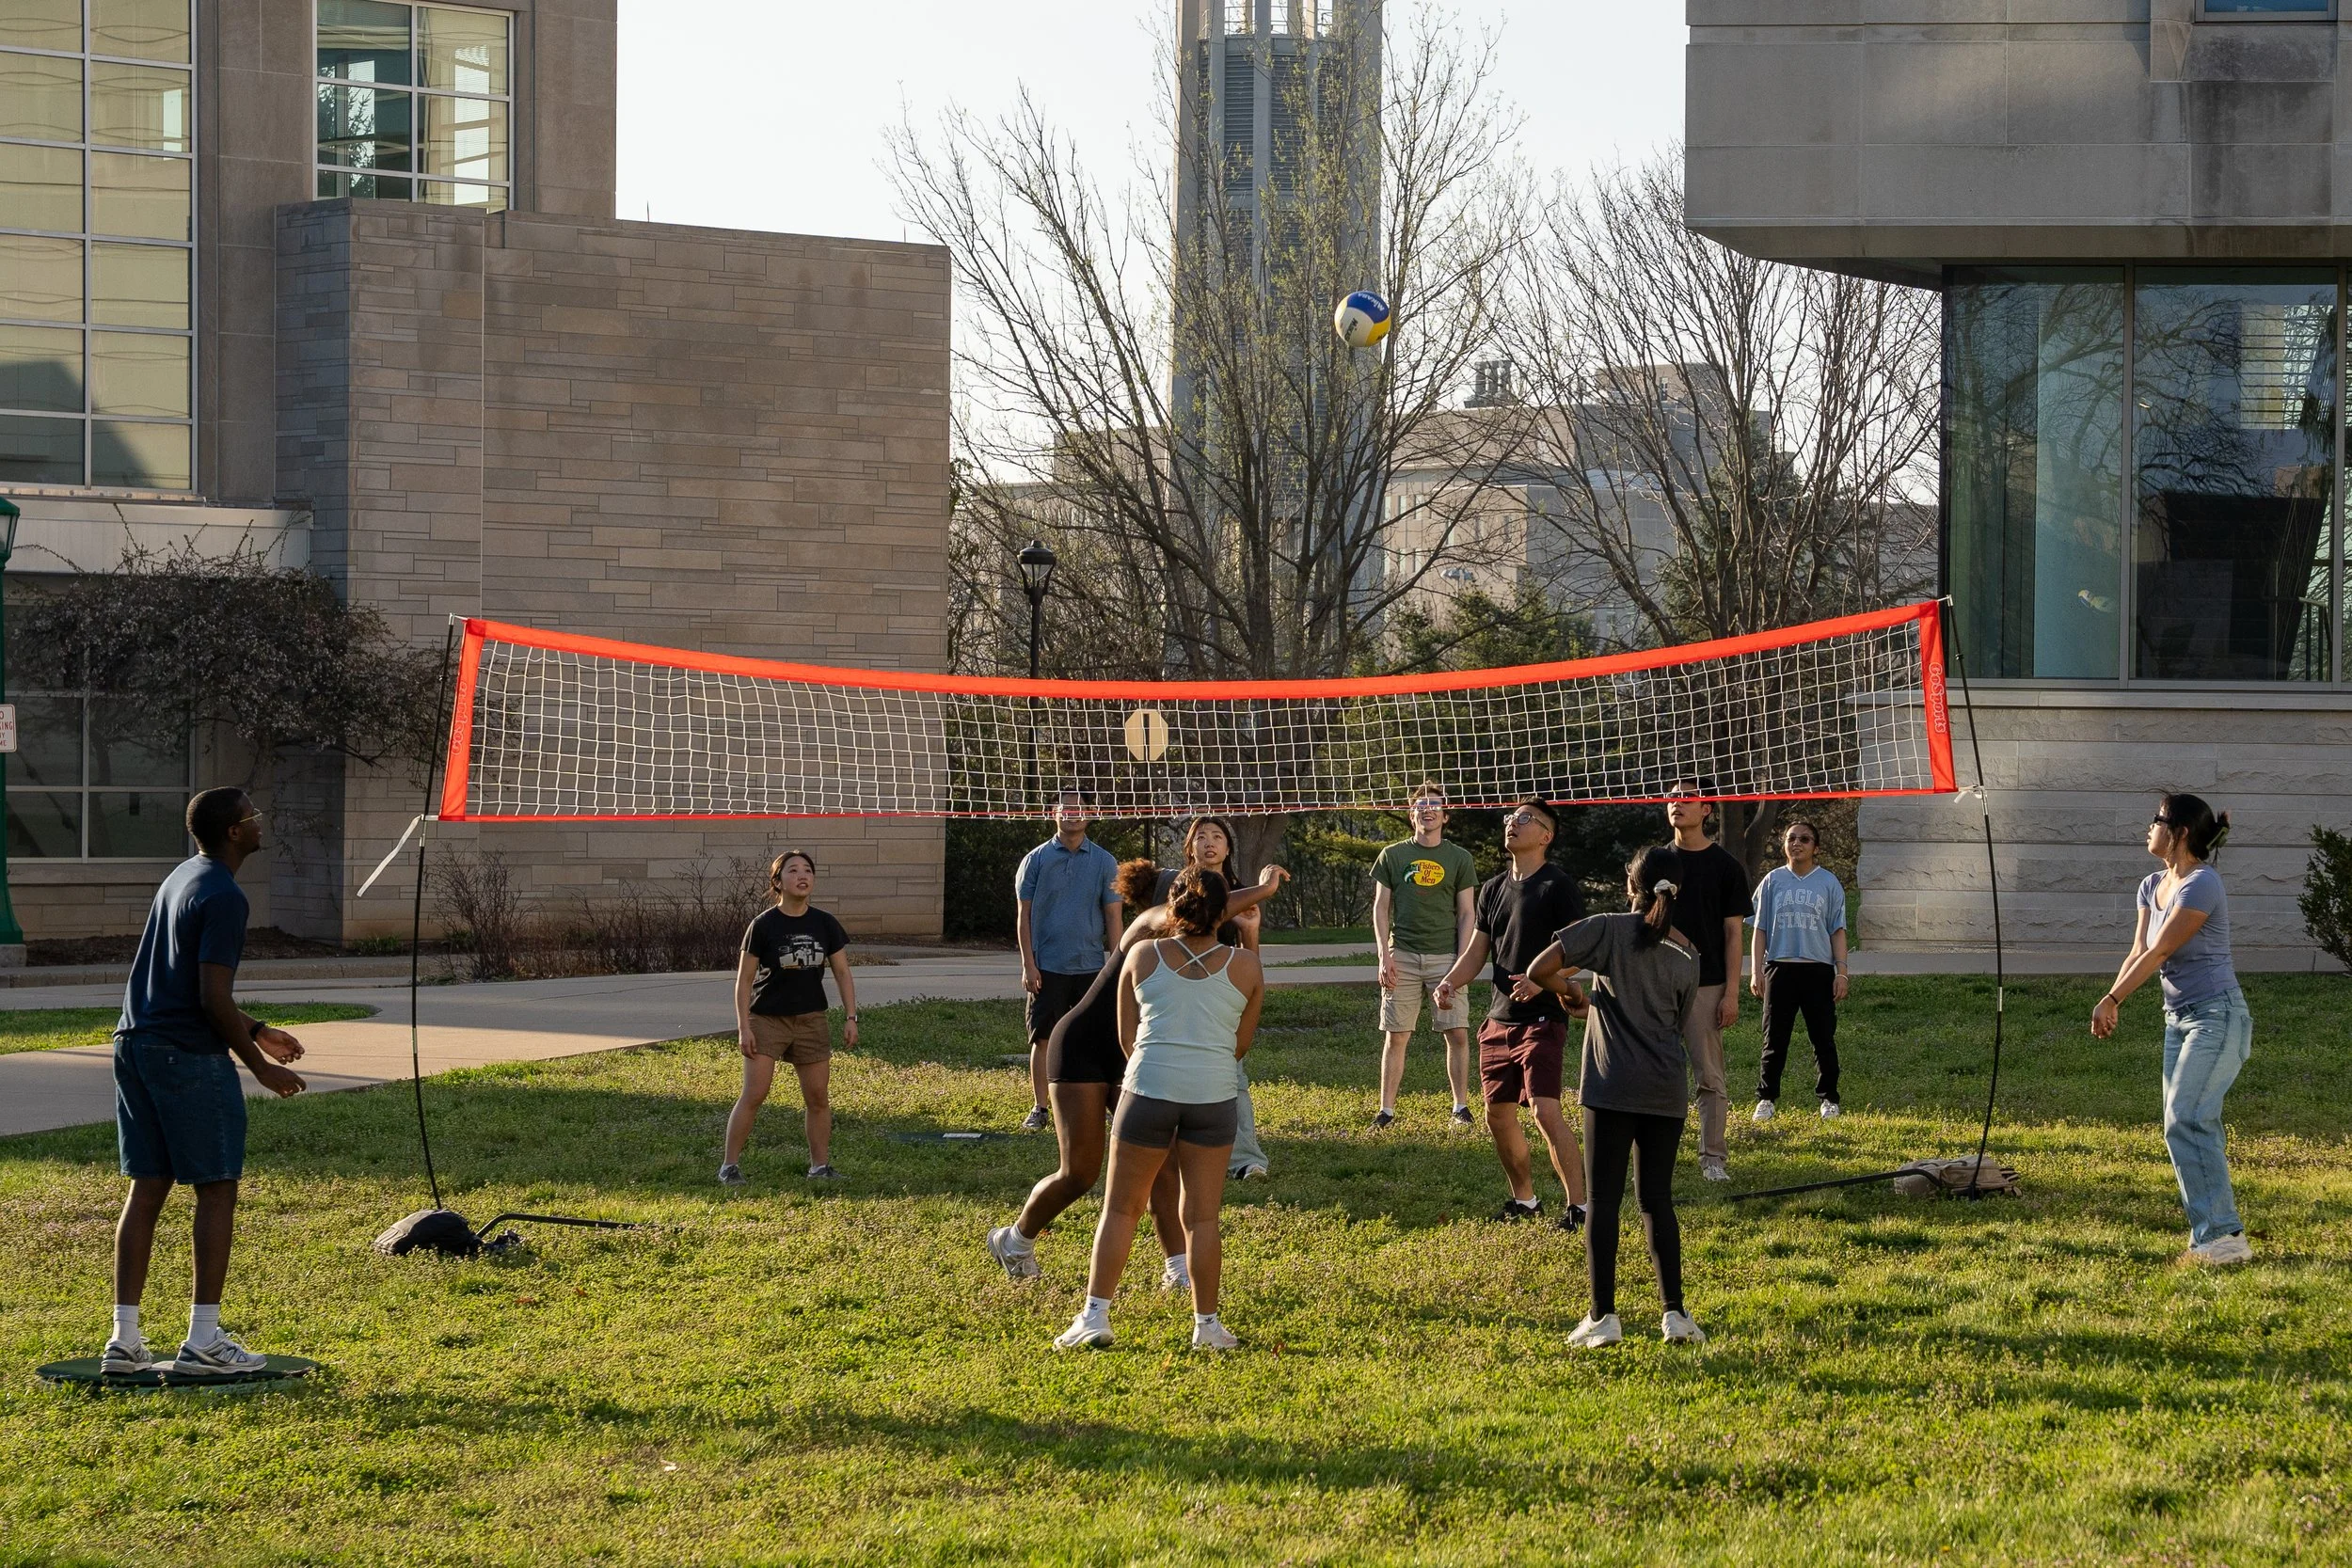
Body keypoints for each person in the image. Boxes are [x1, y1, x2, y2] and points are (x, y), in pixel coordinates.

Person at [104, 787, 309, 1378]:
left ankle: (124, 1340)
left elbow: (183, 985)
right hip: (185, 1056)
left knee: (148, 1186)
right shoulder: (226, 895)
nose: (260, 821)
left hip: (135, 1044)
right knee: (216, 1186)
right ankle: (203, 1341)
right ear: (237, 831)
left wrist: (259, 1028)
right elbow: (209, 996)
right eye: (255, 815)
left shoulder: (183, 876)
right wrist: (260, 1065)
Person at [1054, 868, 1265, 1353]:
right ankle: (1208, 1326)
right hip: (1212, 1096)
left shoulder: (1142, 955)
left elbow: (1128, 1039)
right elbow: (1240, 1046)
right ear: (1223, 914)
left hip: (1148, 1091)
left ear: (1173, 909)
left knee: (1120, 1211)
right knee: (1203, 1219)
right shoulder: (1248, 966)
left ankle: (1094, 1316)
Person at [1527, 846, 1706, 1349]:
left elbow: (1541, 967)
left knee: (1604, 1201)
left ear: (1631, 886)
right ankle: (1675, 1315)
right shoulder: (1688, 953)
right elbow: (1672, 1019)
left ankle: (1603, 1317)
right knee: (1657, 1201)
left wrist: (1573, 993)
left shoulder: (1608, 928)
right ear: (1678, 892)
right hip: (1665, 1086)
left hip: (1610, 1085)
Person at [986, 859, 1190, 1292]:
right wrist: (1263, 890)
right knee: (1080, 1172)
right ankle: (1015, 1239)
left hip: (1128, 1053)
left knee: (1163, 1161)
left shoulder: (1192, 944)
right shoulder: (1145, 927)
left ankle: (1179, 1268)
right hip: (1080, 1047)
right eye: (1188, 890)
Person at [2091, 794, 2253, 1266]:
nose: (2149, 827)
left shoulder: (2203, 884)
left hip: (2218, 1017)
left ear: (2179, 832)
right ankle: (2212, 1234)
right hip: (2178, 1020)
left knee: (2188, 1116)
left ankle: (2222, 1238)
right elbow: (2138, 950)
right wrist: (2112, 996)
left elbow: (2161, 952)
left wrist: (2114, 999)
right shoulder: (2152, 885)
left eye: (2157, 820)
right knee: (2181, 1123)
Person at [1433, 799, 1589, 1228]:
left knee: (1543, 1110)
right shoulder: (1493, 888)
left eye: (1524, 819)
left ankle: (1579, 1207)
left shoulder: (1557, 886)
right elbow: (1476, 952)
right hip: (1499, 1019)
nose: (1512, 824)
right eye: (1509, 818)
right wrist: (1449, 982)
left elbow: (1579, 950)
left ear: (1546, 835)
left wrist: (1543, 979)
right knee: (1497, 1114)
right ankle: (1525, 1201)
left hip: (1542, 1018)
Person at [1153, 816, 1287, 1181]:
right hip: (1173, 993)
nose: (1209, 843)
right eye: (1201, 837)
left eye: (1217, 837)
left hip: (1219, 998)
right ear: (1189, 846)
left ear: (1228, 848)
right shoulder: (1173, 887)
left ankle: (1245, 1159)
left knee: (1232, 1076)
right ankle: (1165, 1152)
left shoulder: (1244, 894)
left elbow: (1251, 965)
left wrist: (1251, 931)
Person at [721, 851, 858, 1185]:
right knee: (755, 1093)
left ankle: (820, 1167)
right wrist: (744, 1026)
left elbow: (842, 972)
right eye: (793, 870)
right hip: (767, 1020)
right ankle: (729, 1167)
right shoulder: (763, 925)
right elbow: (744, 981)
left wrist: (851, 1017)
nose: (802, 875)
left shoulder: (825, 923)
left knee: (818, 1097)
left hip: (811, 1020)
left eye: (808, 870)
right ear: (778, 881)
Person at [1369, 781, 1478, 1130]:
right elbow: (1381, 908)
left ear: (1445, 816)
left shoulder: (1460, 858)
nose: (1427, 810)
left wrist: (1461, 963)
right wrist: (1383, 957)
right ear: (1411, 813)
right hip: (1401, 955)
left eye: (1434, 805)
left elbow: (1466, 914)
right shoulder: (1392, 855)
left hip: (1446, 958)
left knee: (1457, 1032)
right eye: (1420, 805)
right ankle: (1386, 1111)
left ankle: (1460, 1107)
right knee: (1396, 1035)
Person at [1014, 788, 1123, 1132]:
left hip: (1092, 967)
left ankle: (1107, 1103)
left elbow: (1113, 918)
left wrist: (1117, 965)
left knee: (1098, 1037)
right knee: (1043, 1037)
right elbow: (1023, 915)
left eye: (1080, 808)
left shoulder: (1105, 862)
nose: (1073, 813)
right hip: (1047, 968)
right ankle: (1040, 1108)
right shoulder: (1036, 859)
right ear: (1053, 813)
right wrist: (1028, 965)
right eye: (1066, 808)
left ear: (1091, 814)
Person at [1662, 783, 1751, 1180]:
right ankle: (1650, 1155)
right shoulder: (1655, 862)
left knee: (1709, 1077)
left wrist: (1731, 993)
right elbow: (1636, 922)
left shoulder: (1726, 866)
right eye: (1673, 797)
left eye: (1687, 798)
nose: (1677, 803)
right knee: (1650, 1074)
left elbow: (1735, 934)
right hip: (1658, 983)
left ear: (1707, 810)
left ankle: (1713, 1158)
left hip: (1707, 984)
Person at [1747, 819, 1850, 1121]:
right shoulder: (1772, 881)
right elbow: (1760, 930)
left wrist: (1841, 972)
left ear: (1815, 848)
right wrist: (1755, 971)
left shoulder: (1828, 883)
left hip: (1818, 971)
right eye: (1792, 838)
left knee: (1823, 1039)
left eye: (1805, 839)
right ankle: (1766, 1099)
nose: (1797, 844)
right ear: (1784, 845)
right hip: (1779, 970)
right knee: (1774, 1039)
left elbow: (1838, 931)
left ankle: (1829, 1098)